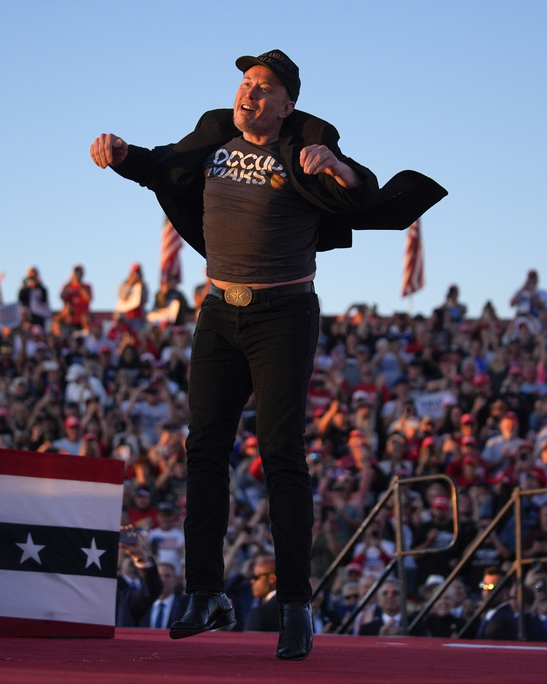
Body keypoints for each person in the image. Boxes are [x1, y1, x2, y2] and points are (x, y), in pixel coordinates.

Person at [90, 49, 445, 660]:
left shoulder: (305, 146)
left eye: (265, 89)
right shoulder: (214, 137)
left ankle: (295, 605)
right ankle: (205, 593)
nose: (249, 94)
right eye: (245, 84)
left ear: (287, 105)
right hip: (218, 312)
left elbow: (364, 194)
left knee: (281, 454)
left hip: (283, 314)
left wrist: (334, 166)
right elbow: (163, 166)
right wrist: (122, 158)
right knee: (203, 448)